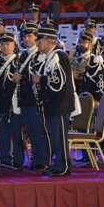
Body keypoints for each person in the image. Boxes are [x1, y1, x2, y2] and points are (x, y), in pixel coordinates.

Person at [33, 24, 77, 176]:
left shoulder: (59, 55)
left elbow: (59, 82)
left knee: (59, 137)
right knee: (55, 137)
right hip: (53, 105)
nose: (37, 43)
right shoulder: (51, 56)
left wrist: (41, 80)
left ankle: (64, 166)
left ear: (48, 40)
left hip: (59, 105)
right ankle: (59, 164)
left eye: (40, 39)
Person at [15, 23, 48, 171]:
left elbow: (40, 77)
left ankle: (41, 161)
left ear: (36, 37)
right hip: (25, 99)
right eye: (24, 36)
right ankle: (35, 160)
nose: (27, 39)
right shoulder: (23, 54)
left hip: (36, 100)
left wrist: (22, 78)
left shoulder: (40, 55)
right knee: (30, 132)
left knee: (38, 132)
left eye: (30, 36)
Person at [0, 31, 23, 169]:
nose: (5, 47)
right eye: (2, 44)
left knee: (16, 133)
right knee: (2, 133)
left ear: (14, 45)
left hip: (13, 102)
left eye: (8, 44)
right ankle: (5, 159)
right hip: (0, 101)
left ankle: (18, 161)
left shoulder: (19, 60)